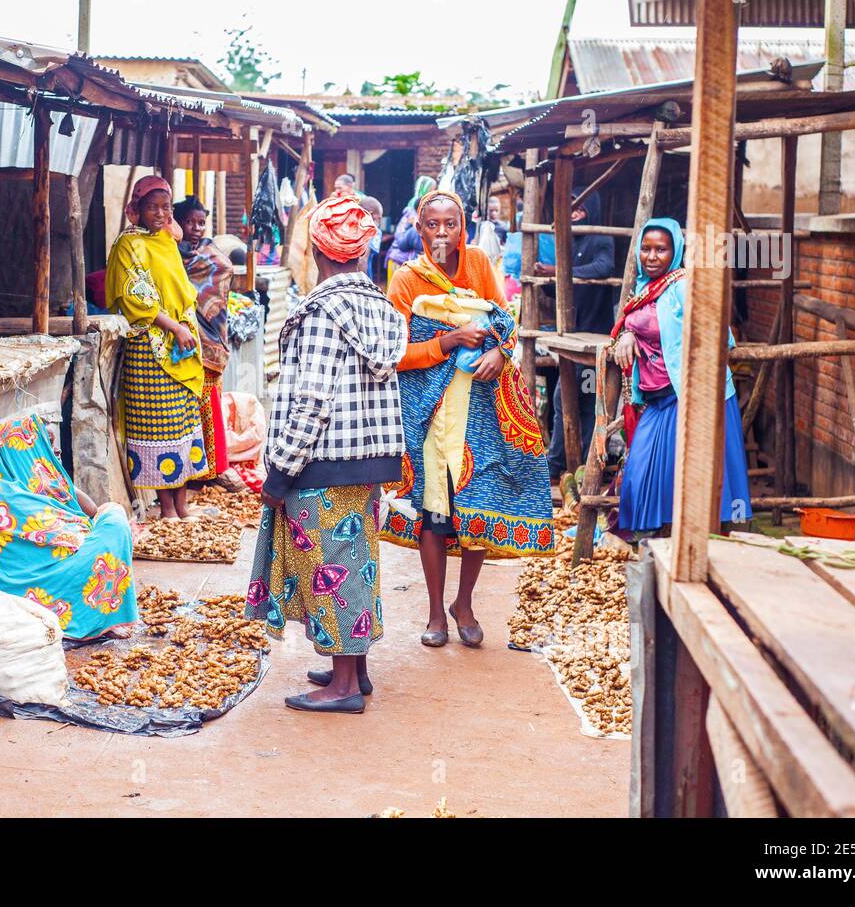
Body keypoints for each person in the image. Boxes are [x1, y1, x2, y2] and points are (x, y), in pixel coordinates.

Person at [244, 194, 406, 714]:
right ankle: (354, 671)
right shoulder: (380, 308)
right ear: (361, 253)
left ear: (318, 251)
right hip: (368, 461)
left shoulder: (319, 313)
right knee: (357, 561)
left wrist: (280, 470)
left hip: (322, 459)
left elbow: (310, 402)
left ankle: (340, 689)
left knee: (328, 565)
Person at [382, 191, 554, 648]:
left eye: (451, 224)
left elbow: (505, 321)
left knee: (475, 507)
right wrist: (451, 338)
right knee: (434, 512)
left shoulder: (478, 265)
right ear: (419, 230)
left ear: (465, 227)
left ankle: (465, 603)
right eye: (433, 225)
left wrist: (499, 349)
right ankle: (436, 612)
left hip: (480, 412)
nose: (442, 233)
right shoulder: (406, 281)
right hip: (429, 413)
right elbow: (397, 352)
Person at [612, 218, 752, 535]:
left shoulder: (684, 286)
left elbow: (722, 337)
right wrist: (628, 336)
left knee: (701, 481)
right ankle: (658, 551)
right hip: (658, 400)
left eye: (661, 249)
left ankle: (702, 554)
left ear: (675, 251)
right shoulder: (644, 290)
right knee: (641, 474)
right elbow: (633, 324)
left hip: (693, 397)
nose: (651, 256)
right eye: (645, 249)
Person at [0, 414, 138, 640]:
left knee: (112, 515)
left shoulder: (35, 485)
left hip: (53, 572)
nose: (57, 451)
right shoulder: (11, 496)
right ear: (29, 451)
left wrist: (60, 479)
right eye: (47, 445)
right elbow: (75, 538)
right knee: (114, 522)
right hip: (40, 583)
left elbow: (91, 510)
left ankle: (103, 615)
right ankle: (98, 617)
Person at [105, 175, 207, 518]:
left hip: (182, 346)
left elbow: (179, 290)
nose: (161, 214)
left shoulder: (165, 241)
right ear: (138, 209)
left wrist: (185, 330)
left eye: (166, 206)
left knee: (181, 424)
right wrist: (175, 328)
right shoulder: (128, 245)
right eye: (153, 207)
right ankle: (166, 508)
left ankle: (181, 504)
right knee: (158, 426)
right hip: (151, 350)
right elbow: (139, 300)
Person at [533, 189, 616, 480]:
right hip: (573, 338)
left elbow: (604, 267)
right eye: (570, 209)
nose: (574, 212)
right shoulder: (569, 243)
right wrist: (547, 279)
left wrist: (559, 269)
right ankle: (565, 462)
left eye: (579, 208)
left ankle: (577, 464)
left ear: (590, 210)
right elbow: (563, 289)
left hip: (594, 339)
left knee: (585, 401)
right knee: (567, 400)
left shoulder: (600, 238)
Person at [173, 195, 237, 488]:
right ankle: (198, 471)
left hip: (211, 334)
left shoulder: (208, 249)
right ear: (178, 222)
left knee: (211, 401)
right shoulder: (171, 253)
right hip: (186, 337)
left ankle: (213, 467)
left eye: (201, 222)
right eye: (190, 222)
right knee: (195, 405)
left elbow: (222, 274)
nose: (196, 228)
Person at [387, 174, 436, 276]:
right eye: (432, 189)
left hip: (406, 258)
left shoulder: (416, 205)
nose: (434, 192)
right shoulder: (419, 207)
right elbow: (405, 239)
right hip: (402, 259)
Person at [359, 194, 387, 287]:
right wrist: (364, 287)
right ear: (370, 214)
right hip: (362, 279)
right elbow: (363, 260)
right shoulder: (372, 230)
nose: (379, 221)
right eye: (379, 218)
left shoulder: (352, 227)